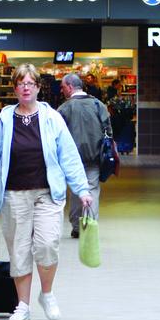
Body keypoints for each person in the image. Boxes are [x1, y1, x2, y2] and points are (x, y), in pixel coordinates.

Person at [0, 64, 92, 320]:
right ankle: (23, 306)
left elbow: (69, 156)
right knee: (19, 251)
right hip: (14, 195)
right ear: (15, 88)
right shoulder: (5, 120)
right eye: (20, 83)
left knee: (47, 244)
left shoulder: (52, 118)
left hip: (47, 194)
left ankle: (47, 294)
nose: (25, 88)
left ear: (38, 87)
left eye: (30, 83)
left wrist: (82, 189)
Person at [58, 73, 112, 239]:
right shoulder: (98, 105)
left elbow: (55, 134)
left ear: (69, 86)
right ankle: (89, 226)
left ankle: (76, 226)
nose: (61, 90)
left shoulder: (64, 108)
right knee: (92, 190)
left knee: (76, 190)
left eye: (62, 87)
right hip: (94, 158)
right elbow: (109, 131)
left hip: (72, 160)